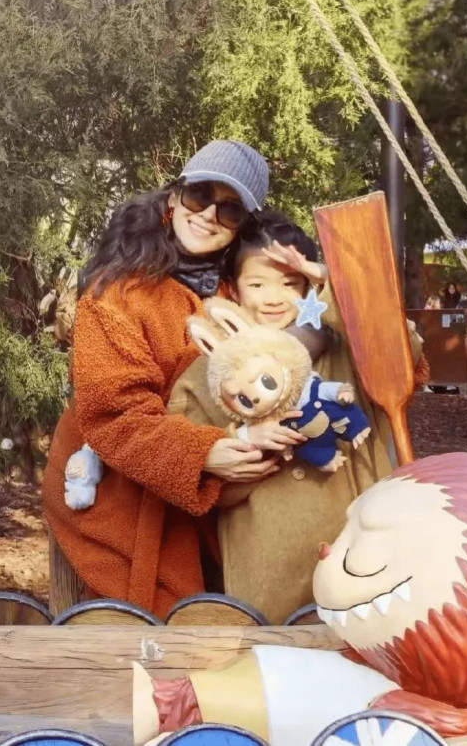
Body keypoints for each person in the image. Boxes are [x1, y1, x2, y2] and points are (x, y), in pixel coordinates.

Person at [42, 140, 303, 619]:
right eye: (200, 195)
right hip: (123, 490)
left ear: (243, 224)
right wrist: (203, 454)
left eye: (229, 209)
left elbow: (301, 348)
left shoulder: (241, 289)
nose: (208, 215)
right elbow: (113, 414)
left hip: (225, 492)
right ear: (174, 195)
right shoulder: (117, 292)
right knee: (147, 628)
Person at [167, 211, 430, 622]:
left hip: (360, 544)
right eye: (257, 284)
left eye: (290, 283)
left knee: (366, 645)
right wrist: (245, 440)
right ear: (232, 289)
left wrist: (332, 279)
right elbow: (186, 465)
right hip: (266, 560)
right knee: (279, 653)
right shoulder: (210, 373)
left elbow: (401, 346)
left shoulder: (348, 344)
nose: (274, 298)